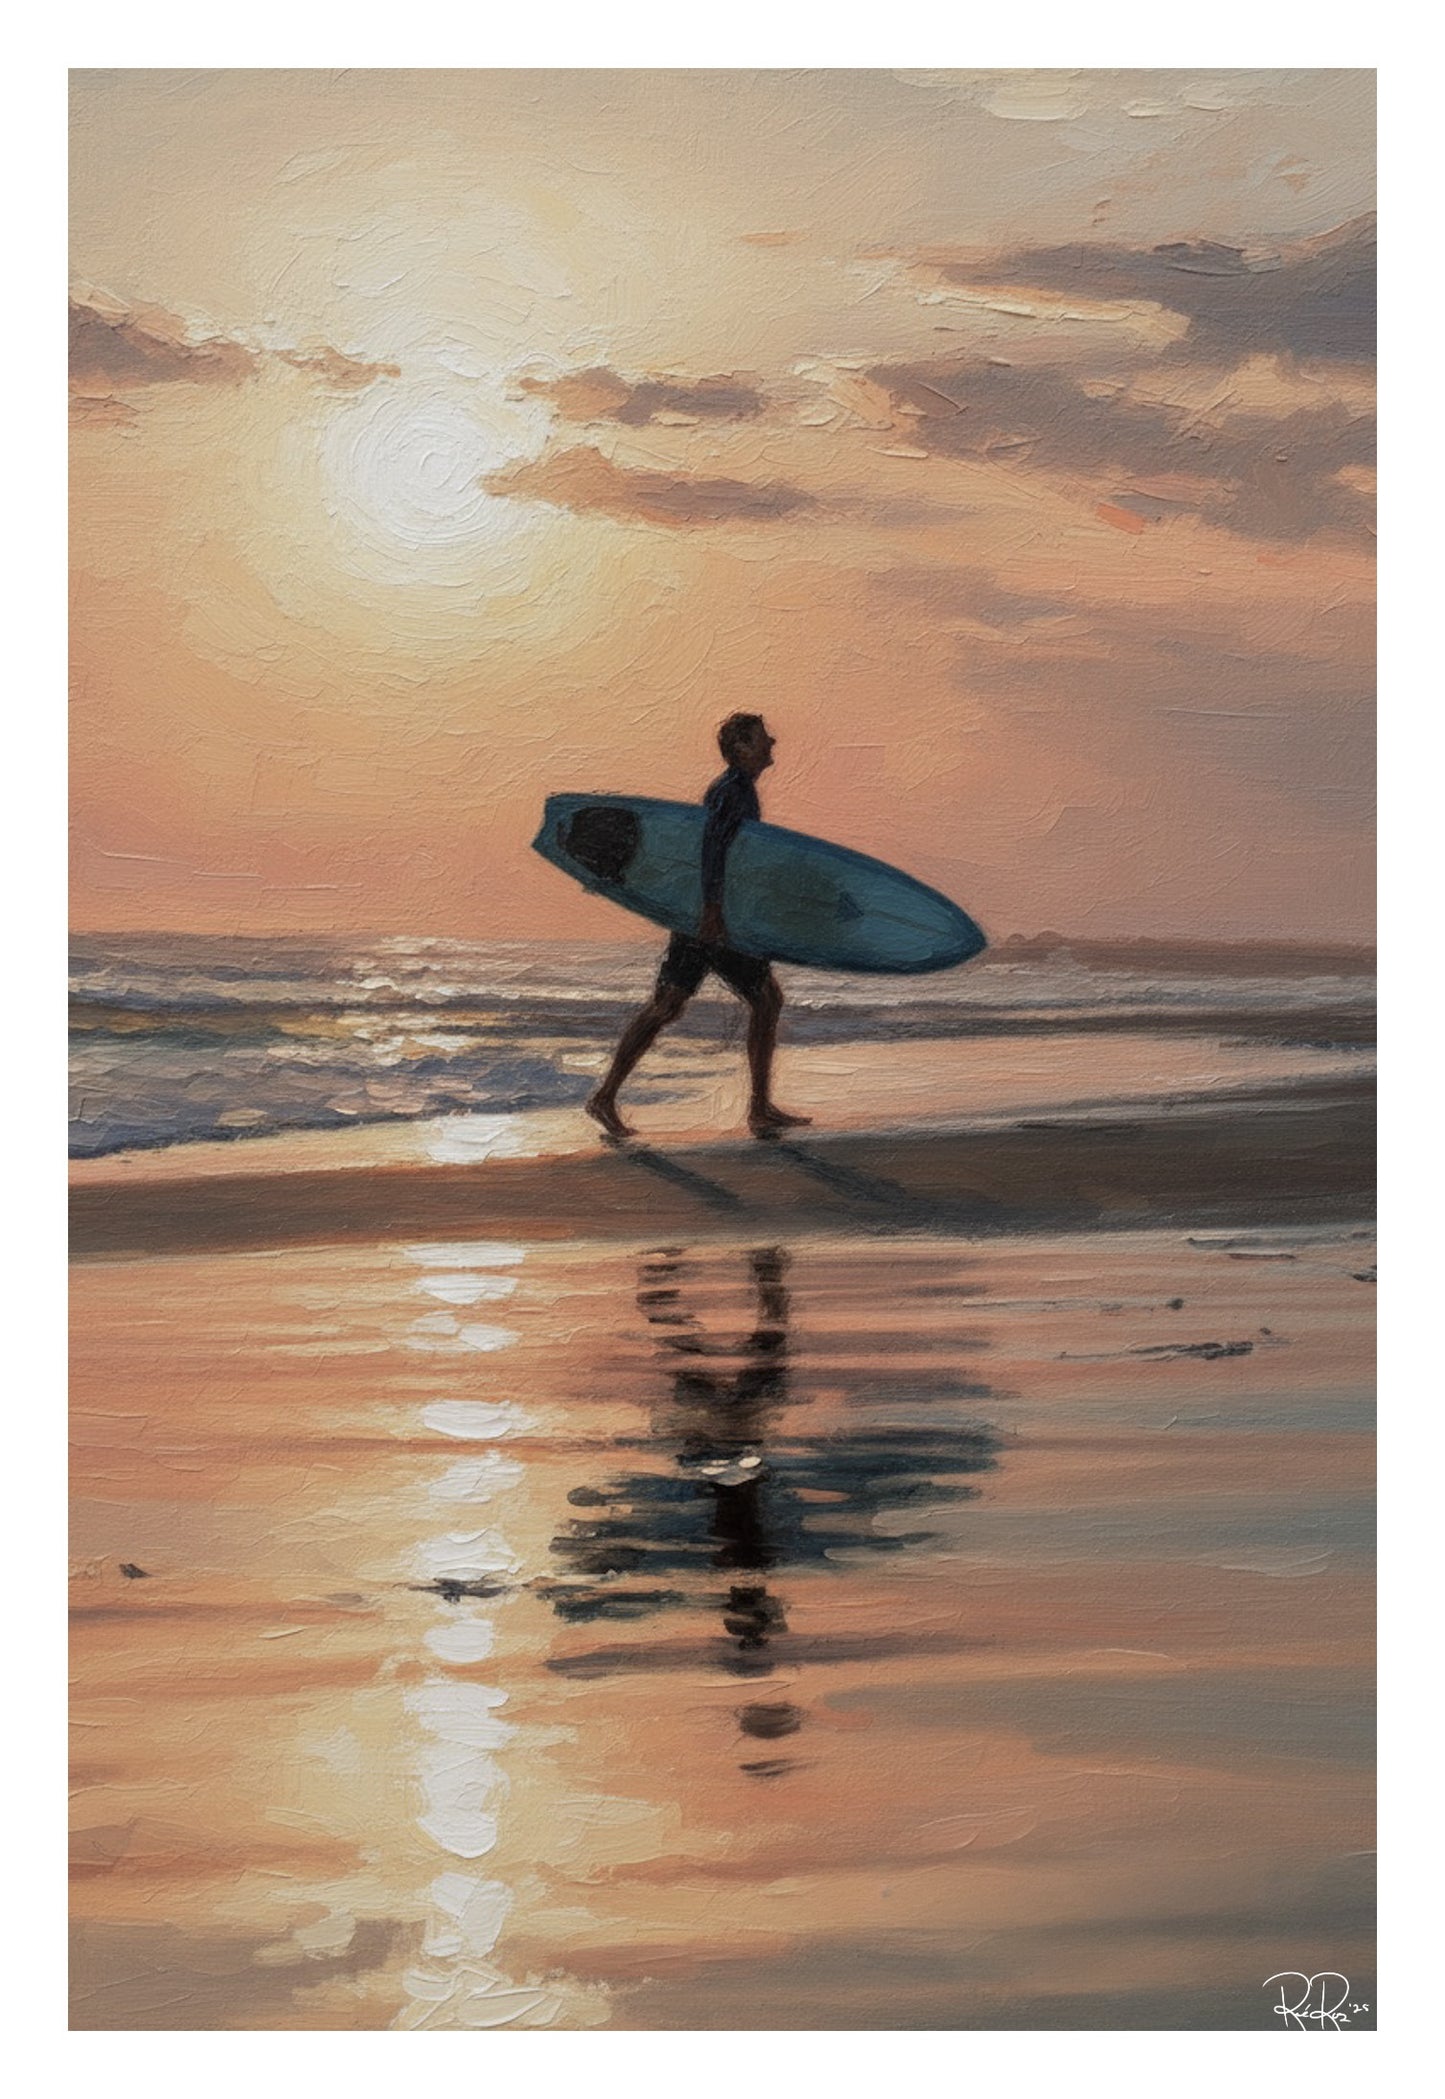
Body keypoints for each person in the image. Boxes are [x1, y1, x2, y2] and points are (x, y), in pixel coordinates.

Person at [586, 714, 812, 1140]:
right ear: (742, 747)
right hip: (713, 920)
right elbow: (712, 849)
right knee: (759, 1000)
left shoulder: (739, 791)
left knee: (674, 1005)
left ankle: (606, 1097)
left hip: (711, 917)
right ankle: (758, 1109)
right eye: (764, 739)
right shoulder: (732, 793)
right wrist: (712, 910)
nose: (773, 743)